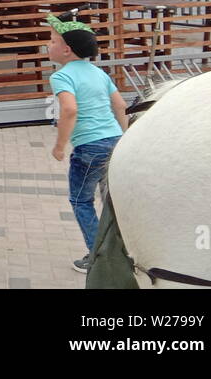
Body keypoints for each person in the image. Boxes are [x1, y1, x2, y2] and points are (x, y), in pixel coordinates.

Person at [46, 14, 128, 273]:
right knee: (110, 201)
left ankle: (97, 257)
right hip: (114, 142)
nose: (48, 45)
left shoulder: (61, 76)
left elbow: (69, 110)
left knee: (81, 201)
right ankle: (123, 250)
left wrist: (60, 146)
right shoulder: (99, 73)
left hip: (89, 148)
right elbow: (120, 105)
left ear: (66, 50)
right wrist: (124, 140)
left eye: (52, 41)